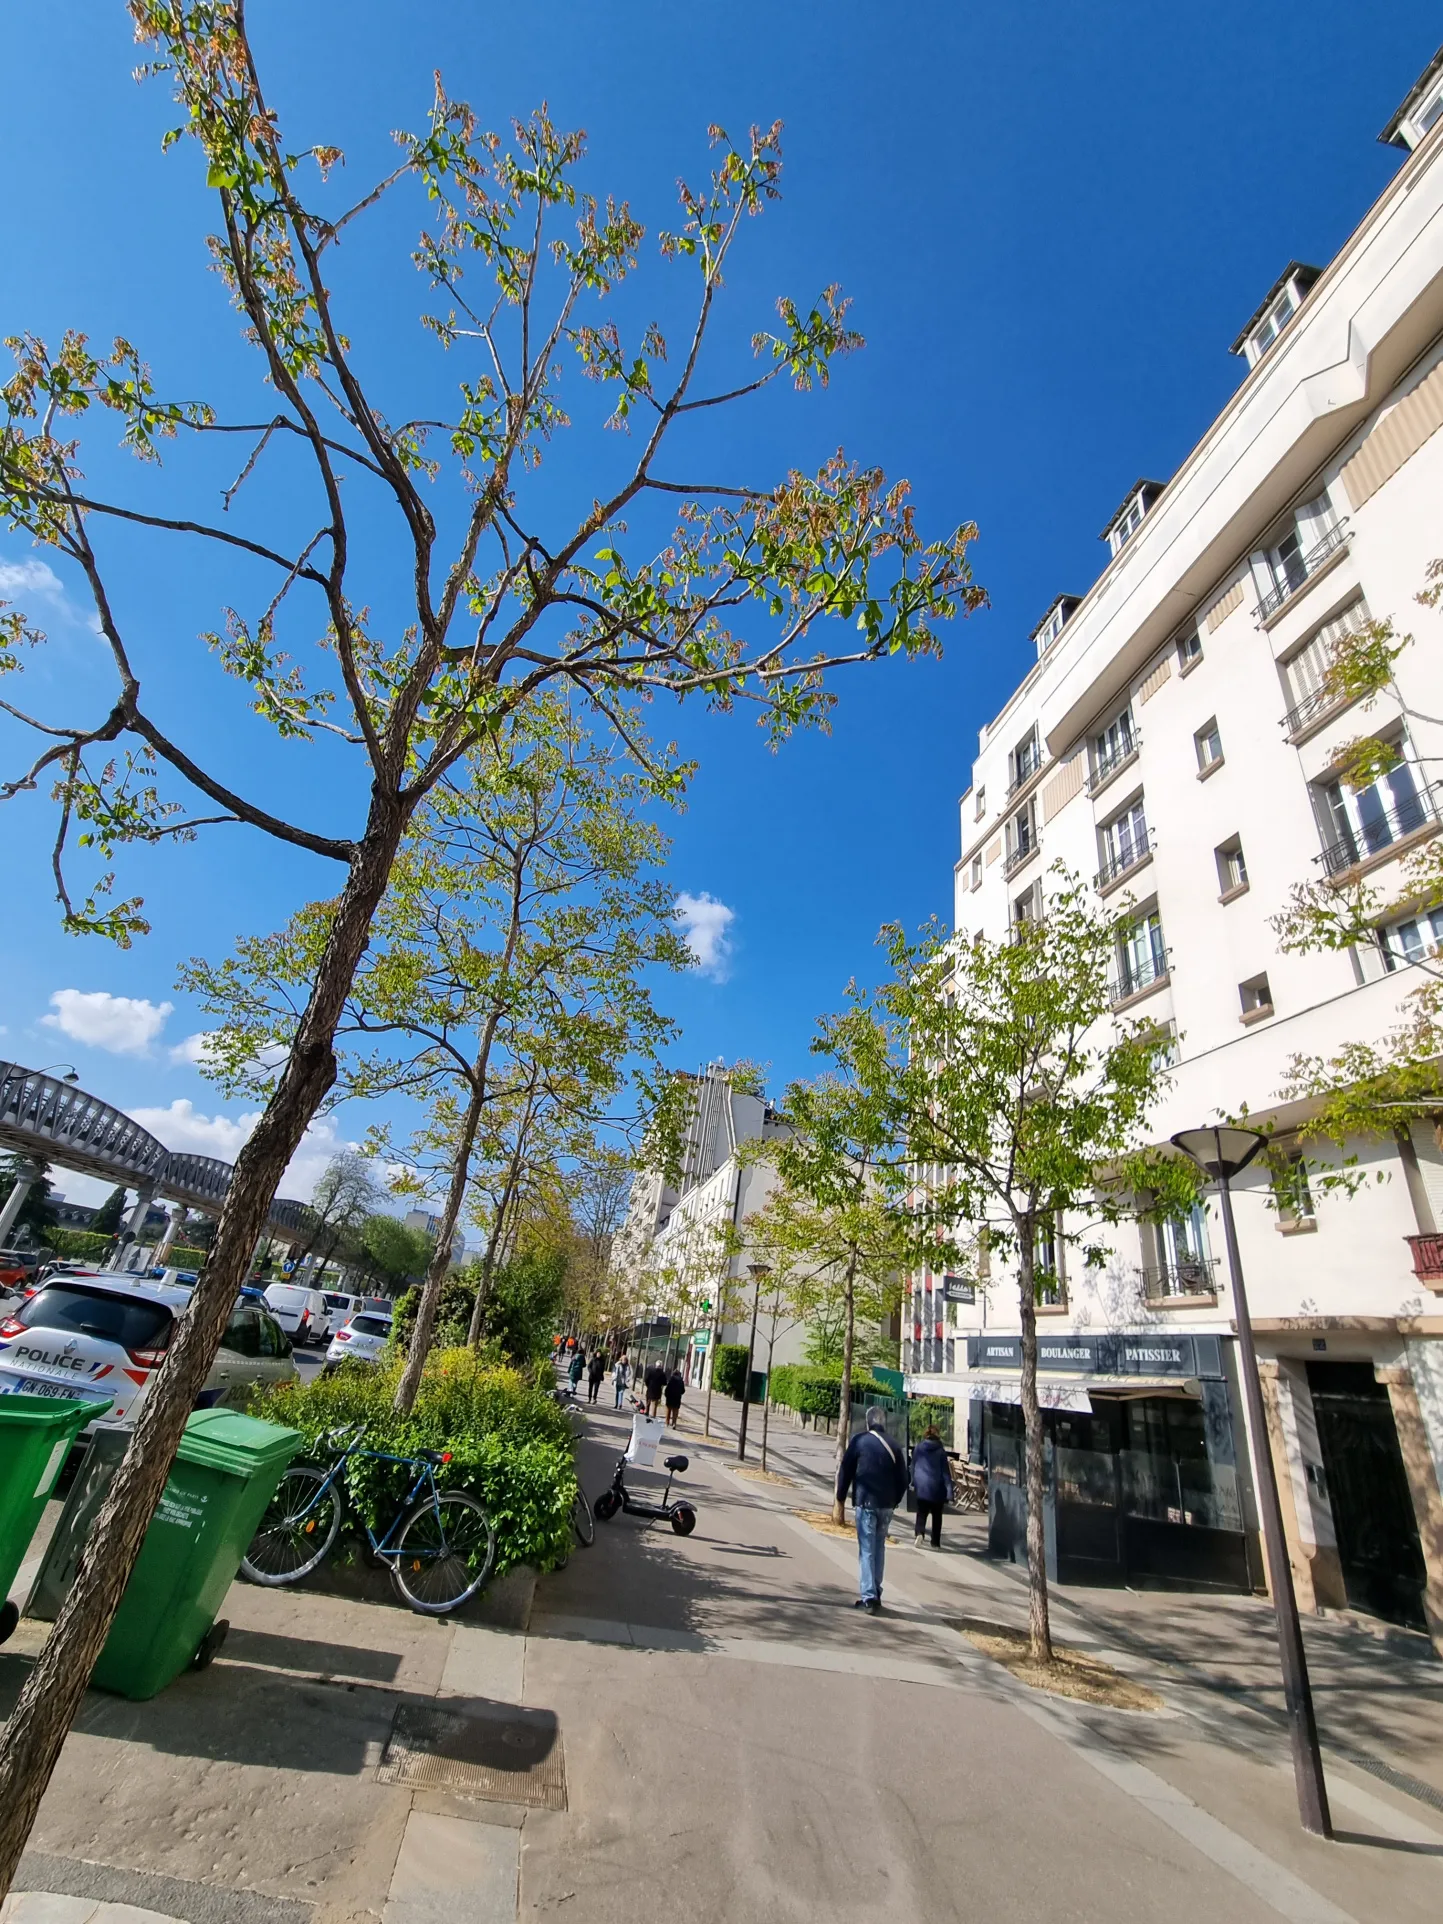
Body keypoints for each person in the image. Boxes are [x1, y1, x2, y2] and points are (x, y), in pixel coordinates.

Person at [835, 1407, 909, 1614]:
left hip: (866, 1501)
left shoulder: (859, 1441)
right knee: (879, 1547)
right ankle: (876, 1590)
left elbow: (846, 1469)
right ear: (883, 1423)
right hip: (886, 1505)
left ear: (868, 1423)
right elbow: (904, 1479)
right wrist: (895, 1500)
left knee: (866, 1549)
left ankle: (868, 1597)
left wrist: (841, 1496)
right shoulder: (894, 1445)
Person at [910, 1425, 954, 1549]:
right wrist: (949, 1491)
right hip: (937, 1488)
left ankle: (919, 1533)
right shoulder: (941, 1451)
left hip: (922, 1486)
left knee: (921, 1512)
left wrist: (913, 1481)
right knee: (937, 1515)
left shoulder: (918, 1448)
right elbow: (945, 1473)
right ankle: (935, 1541)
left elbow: (913, 1466)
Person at [663, 1364, 686, 1428]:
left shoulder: (671, 1379)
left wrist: (666, 1394)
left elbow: (667, 1388)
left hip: (670, 1397)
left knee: (668, 1410)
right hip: (677, 1398)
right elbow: (683, 1390)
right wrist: (679, 1393)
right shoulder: (681, 1381)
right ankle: (674, 1423)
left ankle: (667, 1422)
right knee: (675, 1411)